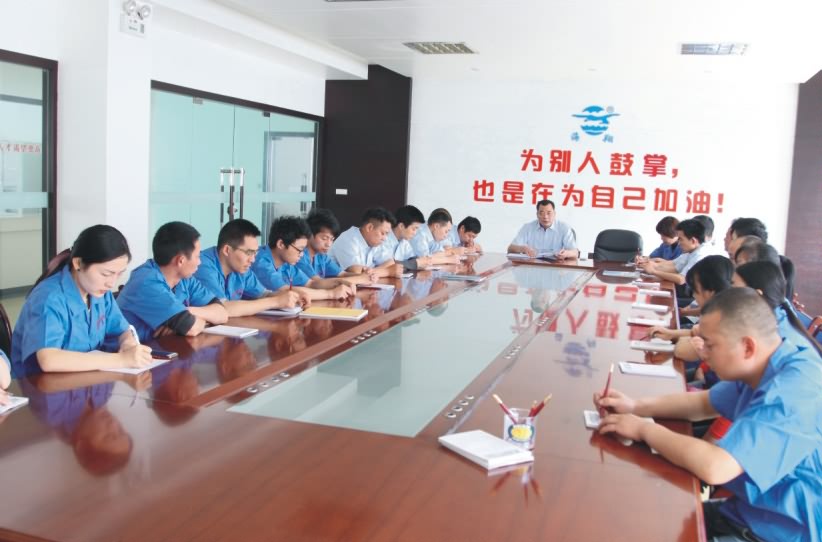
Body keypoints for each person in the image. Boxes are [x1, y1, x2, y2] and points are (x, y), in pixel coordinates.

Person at [594, 288, 822, 542]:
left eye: (710, 345)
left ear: (747, 346)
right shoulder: (765, 361)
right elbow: (703, 404)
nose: (702, 353)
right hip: (747, 512)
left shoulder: (794, 391)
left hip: (779, 533)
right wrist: (634, 405)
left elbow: (716, 467)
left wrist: (644, 429)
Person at [10, 225, 153, 378]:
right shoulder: (49, 297)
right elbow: (49, 359)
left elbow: (122, 329)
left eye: (118, 274)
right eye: (106, 274)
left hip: (84, 381)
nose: (111, 283)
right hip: (40, 386)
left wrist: (128, 343)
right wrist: (121, 360)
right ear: (78, 263)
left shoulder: (99, 292)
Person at [117, 221, 229, 341]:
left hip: (161, 346)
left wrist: (189, 311)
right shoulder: (146, 282)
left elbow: (222, 313)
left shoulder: (185, 279)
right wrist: (192, 320)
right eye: (197, 256)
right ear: (180, 261)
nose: (199, 262)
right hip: (127, 349)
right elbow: (191, 328)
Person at [193, 218, 308, 317]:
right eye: (249, 253)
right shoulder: (202, 266)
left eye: (255, 253)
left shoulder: (240, 268)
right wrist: (276, 301)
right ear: (227, 250)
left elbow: (263, 295)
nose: (252, 260)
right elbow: (221, 308)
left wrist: (293, 296)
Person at [251, 216, 355, 300]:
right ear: (281, 244)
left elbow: (311, 283)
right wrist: (331, 294)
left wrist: (339, 282)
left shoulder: (286, 263)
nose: (301, 255)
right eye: (299, 250)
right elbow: (286, 291)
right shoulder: (260, 261)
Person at [297, 209, 375, 285]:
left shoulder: (321, 256)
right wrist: (360, 279)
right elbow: (318, 283)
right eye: (324, 238)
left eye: (332, 239)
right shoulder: (299, 256)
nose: (329, 244)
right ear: (309, 234)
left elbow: (342, 274)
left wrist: (366, 276)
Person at [328, 208, 403, 277]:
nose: (385, 238)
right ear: (369, 227)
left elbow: (390, 263)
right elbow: (356, 274)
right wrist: (387, 272)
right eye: (383, 233)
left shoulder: (374, 242)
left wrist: (370, 272)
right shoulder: (348, 240)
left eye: (387, 234)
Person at [639, 219, 708, 285]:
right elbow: (673, 265)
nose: (679, 243)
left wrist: (654, 271)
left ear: (693, 241)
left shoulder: (700, 256)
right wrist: (647, 264)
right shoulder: (690, 251)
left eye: (681, 239)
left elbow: (681, 279)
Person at [507, 199, 578, 259]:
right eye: (542, 213)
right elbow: (510, 249)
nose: (545, 217)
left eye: (549, 213)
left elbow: (575, 253)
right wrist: (523, 248)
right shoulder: (528, 227)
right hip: (532, 265)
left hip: (555, 266)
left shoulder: (564, 228)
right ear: (537, 214)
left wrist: (566, 253)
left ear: (554, 214)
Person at [381, 205, 433, 271]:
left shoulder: (404, 241)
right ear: (401, 226)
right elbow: (388, 265)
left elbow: (412, 259)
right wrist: (415, 263)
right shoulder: (383, 239)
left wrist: (421, 261)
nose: (415, 233)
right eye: (414, 229)